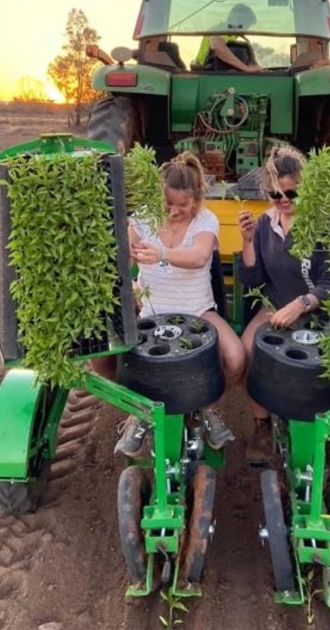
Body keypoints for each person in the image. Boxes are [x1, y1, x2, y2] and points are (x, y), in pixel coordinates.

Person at [115, 151, 246, 456]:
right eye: (168, 204)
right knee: (110, 360)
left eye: (183, 205)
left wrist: (161, 254)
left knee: (237, 358)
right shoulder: (146, 215)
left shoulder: (206, 220)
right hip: (151, 314)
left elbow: (199, 256)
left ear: (197, 199)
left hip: (198, 312)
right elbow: (122, 247)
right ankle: (139, 412)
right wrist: (125, 247)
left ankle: (208, 405)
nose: (174, 211)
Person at [237, 146, 330, 468]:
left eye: (291, 193)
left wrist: (302, 304)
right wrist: (248, 242)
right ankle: (262, 426)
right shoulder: (267, 225)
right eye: (275, 194)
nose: (284, 201)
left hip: (317, 309)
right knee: (245, 353)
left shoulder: (324, 225)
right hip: (275, 305)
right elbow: (252, 280)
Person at [194, 3, 265, 73]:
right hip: (207, 73)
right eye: (246, 26)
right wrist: (245, 68)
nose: (246, 30)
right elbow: (216, 46)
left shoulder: (232, 35)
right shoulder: (220, 30)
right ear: (239, 23)